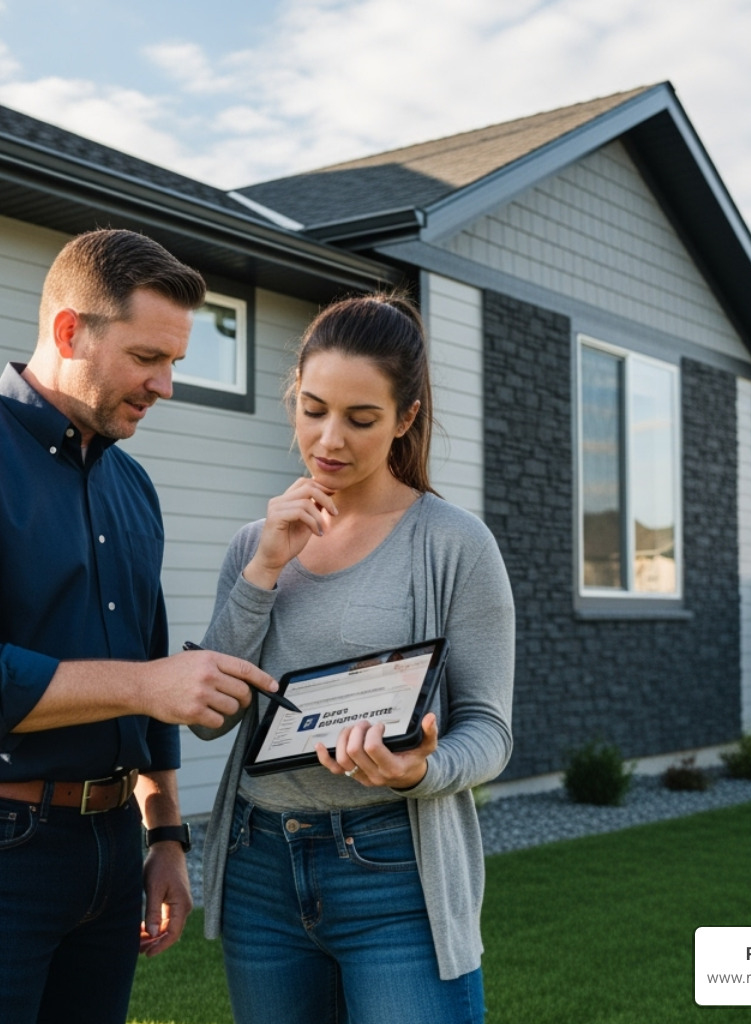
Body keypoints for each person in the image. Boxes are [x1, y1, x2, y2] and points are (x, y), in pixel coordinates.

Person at [0, 229, 279, 1024]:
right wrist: (148, 686)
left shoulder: (134, 486)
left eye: (174, 362)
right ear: (69, 331)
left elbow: (147, 668)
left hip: (111, 845)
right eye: (147, 358)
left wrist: (165, 833)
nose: (165, 385)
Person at [194, 293, 516, 1023]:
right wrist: (264, 570)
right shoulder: (254, 545)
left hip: (394, 870)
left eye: (361, 419)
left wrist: (421, 770)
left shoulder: (454, 545)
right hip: (258, 865)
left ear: (405, 418)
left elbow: (490, 730)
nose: (328, 439)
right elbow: (210, 720)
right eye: (313, 410)